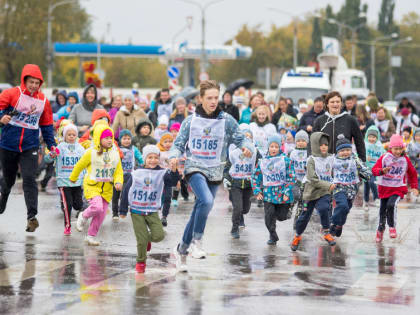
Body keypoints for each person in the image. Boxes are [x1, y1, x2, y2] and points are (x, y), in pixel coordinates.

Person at [169, 80, 253, 272]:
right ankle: (197, 242)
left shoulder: (226, 121)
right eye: (209, 98)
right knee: (206, 201)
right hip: (195, 167)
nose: (213, 101)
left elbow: (241, 139)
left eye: (216, 97)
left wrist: (247, 148)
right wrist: (174, 156)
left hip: (215, 170)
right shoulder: (190, 121)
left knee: (200, 209)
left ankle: (182, 249)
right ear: (200, 99)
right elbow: (178, 144)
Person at [0, 64, 56, 232]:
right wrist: (1, 117)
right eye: (30, 82)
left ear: (40, 84)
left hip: (30, 146)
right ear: (24, 80)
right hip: (8, 145)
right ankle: (3, 198)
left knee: (29, 178)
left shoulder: (43, 101)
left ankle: (32, 216)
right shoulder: (11, 94)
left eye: (36, 83)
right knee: (9, 181)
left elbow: (46, 125)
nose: (33, 85)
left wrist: (51, 145)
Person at [120, 144, 179, 273]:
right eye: (149, 157)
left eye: (155, 157)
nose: (153, 160)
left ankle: (147, 240)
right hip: (136, 210)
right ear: (144, 159)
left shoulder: (162, 173)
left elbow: (173, 182)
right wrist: (123, 209)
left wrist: (174, 170)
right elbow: (126, 191)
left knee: (159, 235)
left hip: (152, 210)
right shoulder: (136, 173)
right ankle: (141, 262)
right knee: (141, 239)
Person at [71, 124, 123, 245]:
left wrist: (118, 182)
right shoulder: (91, 152)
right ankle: (83, 216)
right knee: (97, 207)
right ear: (99, 139)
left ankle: (90, 236)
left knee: (101, 215)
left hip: (107, 189)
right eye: (106, 138)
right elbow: (80, 165)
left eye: (111, 138)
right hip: (92, 186)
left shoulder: (115, 154)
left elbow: (118, 171)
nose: (110, 140)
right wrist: (73, 177)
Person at [291, 132, 336, 251]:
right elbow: (313, 179)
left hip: (324, 191)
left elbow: (341, 166)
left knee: (324, 208)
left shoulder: (331, 158)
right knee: (305, 215)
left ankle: (326, 232)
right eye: (321, 144)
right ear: (315, 145)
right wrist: (329, 185)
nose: (324, 147)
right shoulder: (311, 160)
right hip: (311, 191)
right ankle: (297, 236)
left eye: (326, 144)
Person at [372, 135, 418, 242]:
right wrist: (382, 171)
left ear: (403, 148)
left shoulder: (405, 159)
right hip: (384, 188)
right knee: (382, 211)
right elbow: (374, 170)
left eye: (400, 148)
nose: (398, 151)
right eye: (395, 149)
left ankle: (392, 227)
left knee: (391, 205)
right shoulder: (385, 157)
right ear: (391, 148)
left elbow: (413, 173)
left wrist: (414, 187)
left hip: (398, 188)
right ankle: (380, 229)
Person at [252, 134, 295, 245]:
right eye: (271, 146)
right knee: (268, 216)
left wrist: (287, 191)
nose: (274, 149)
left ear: (280, 147)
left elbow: (291, 177)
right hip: (269, 195)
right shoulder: (263, 162)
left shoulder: (286, 160)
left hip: (282, 194)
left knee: (281, 217)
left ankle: (289, 208)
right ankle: (272, 235)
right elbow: (255, 177)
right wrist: (257, 191)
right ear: (268, 147)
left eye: (276, 146)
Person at [44, 124, 85, 235]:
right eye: (69, 134)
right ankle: (67, 226)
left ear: (77, 136)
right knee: (68, 204)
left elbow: (85, 164)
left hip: (77, 181)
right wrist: (52, 154)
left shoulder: (80, 148)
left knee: (78, 205)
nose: (71, 136)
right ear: (64, 136)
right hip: (63, 181)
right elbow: (46, 159)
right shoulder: (60, 147)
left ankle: (81, 215)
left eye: (74, 135)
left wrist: (85, 177)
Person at [329, 135, 371, 237]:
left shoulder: (354, 159)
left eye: (347, 150)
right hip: (338, 187)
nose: (345, 153)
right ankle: (331, 222)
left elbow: (363, 168)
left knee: (346, 210)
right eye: (342, 151)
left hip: (352, 189)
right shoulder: (333, 160)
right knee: (342, 206)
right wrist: (329, 182)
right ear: (338, 152)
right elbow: (326, 172)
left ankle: (339, 225)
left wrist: (367, 174)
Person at [224, 125, 259, 239]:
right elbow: (227, 167)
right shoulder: (234, 153)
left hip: (248, 185)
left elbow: (264, 163)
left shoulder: (255, 152)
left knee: (245, 209)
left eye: (249, 137)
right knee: (237, 208)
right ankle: (234, 228)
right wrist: (226, 178)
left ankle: (241, 217)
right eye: (245, 137)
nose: (247, 140)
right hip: (236, 184)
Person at [313, 91, 366, 161]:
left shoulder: (350, 120)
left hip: (344, 163)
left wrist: (362, 160)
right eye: (332, 102)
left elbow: (359, 142)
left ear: (341, 104)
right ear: (327, 104)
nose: (335, 104)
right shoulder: (319, 120)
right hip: (324, 162)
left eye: (338, 102)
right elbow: (313, 142)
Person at [112, 129, 143, 220]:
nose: (127, 141)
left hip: (130, 174)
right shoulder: (117, 149)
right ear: (120, 139)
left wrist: (142, 164)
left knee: (126, 192)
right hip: (118, 175)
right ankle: (115, 213)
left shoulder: (134, 149)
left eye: (129, 138)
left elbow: (139, 158)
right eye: (124, 138)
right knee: (116, 195)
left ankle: (123, 209)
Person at [289, 130, 309, 229]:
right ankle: (290, 206)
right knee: (295, 195)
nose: (300, 142)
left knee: (302, 202)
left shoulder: (308, 153)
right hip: (295, 179)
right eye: (298, 141)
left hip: (305, 180)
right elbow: (290, 165)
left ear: (307, 142)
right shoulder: (293, 153)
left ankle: (297, 222)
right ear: (295, 142)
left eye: (303, 140)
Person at [363, 126, 385, 211]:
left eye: (374, 137)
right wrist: (365, 157)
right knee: (367, 186)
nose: (371, 139)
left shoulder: (379, 146)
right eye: (370, 137)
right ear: (367, 137)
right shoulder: (364, 145)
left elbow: (384, 155)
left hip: (375, 169)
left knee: (371, 183)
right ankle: (366, 201)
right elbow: (359, 155)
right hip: (366, 169)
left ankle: (375, 198)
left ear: (377, 137)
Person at [157, 133, 175, 226]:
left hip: (169, 178)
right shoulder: (158, 152)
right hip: (159, 178)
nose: (168, 144)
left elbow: (176, 166)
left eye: (170, 142)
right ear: (161, 142)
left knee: (168, 197)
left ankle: (164, 217)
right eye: (166, 142)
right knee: (158, 197)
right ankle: (154, 216)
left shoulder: (174, 152)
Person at [407, 128, 420, 202]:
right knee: (411, 179)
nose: (418, 137)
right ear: (414, 136)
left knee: (418, 179)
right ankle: (411, 192)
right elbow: (407, 152)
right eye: (417, 136)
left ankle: (416, 193)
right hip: (413, 164)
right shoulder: (411, 144)